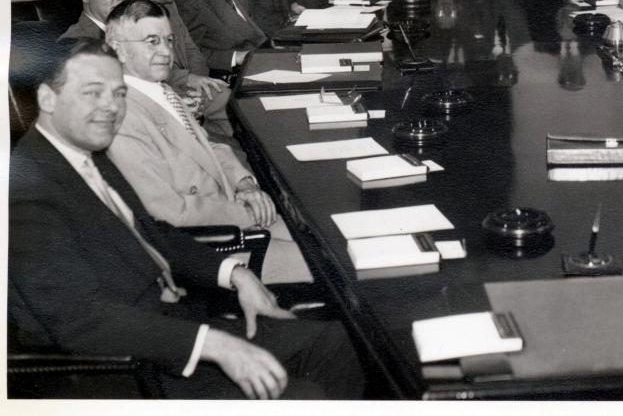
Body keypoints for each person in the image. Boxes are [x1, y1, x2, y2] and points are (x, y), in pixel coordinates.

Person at [8, 40, 362, 398]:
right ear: (47, 99)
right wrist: (216, 345)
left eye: (118, 94)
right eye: (93, 93)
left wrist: (236, 274)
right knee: (305, 397)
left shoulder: (85, 153)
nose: (111, 108)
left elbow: (152, 232)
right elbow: (79, 319)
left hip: (171, 324)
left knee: (333, 342)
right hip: (126, 370)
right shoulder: (26, 192)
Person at [104, 0, 311, 283]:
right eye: (152, 41)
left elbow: (209, 148)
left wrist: (244, 184)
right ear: (117, 47)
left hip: (232, 213)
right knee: (330, 267)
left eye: (168, 40)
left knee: (325, 238)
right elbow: (169, 213)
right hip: (210, 248)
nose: (166, 52)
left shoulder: (159, 90)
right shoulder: (122, 117)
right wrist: (244, 211)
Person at [128, 0, 234, 143]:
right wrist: (186, 81)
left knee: (230, 103)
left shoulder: (169, 2)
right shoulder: (125, 15)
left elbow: (191, 50)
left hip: (187, 88)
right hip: (160, 95)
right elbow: (142, 71)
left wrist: (197, 83)